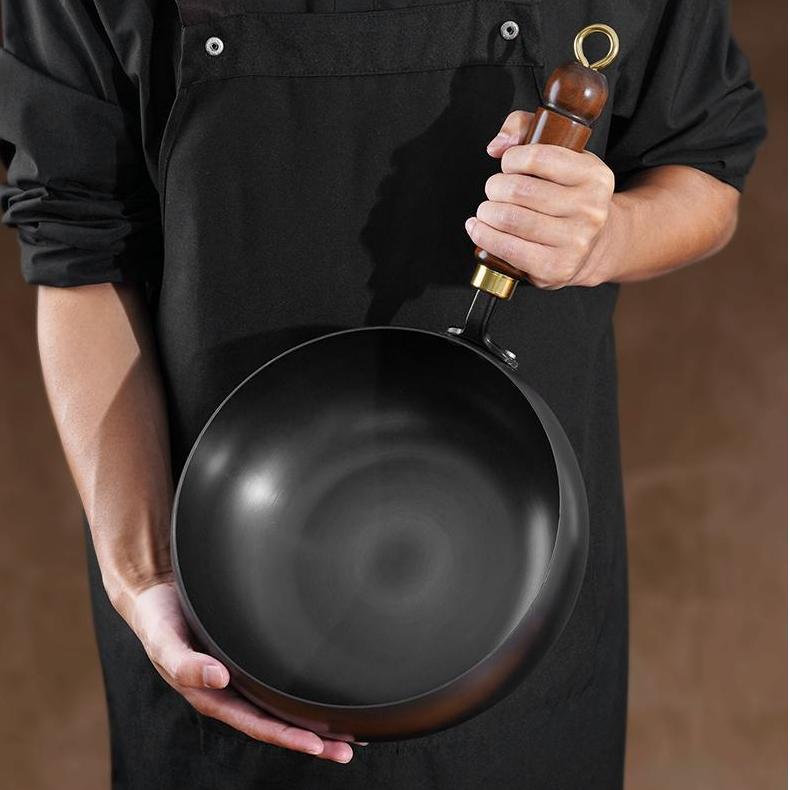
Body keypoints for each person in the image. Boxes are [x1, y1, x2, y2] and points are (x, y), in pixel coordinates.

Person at [0, 1, 765, 788]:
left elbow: (702, 168)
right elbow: (77, 249)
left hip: (521, 613)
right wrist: (143, 574)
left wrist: (607, 237)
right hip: (215, 599)